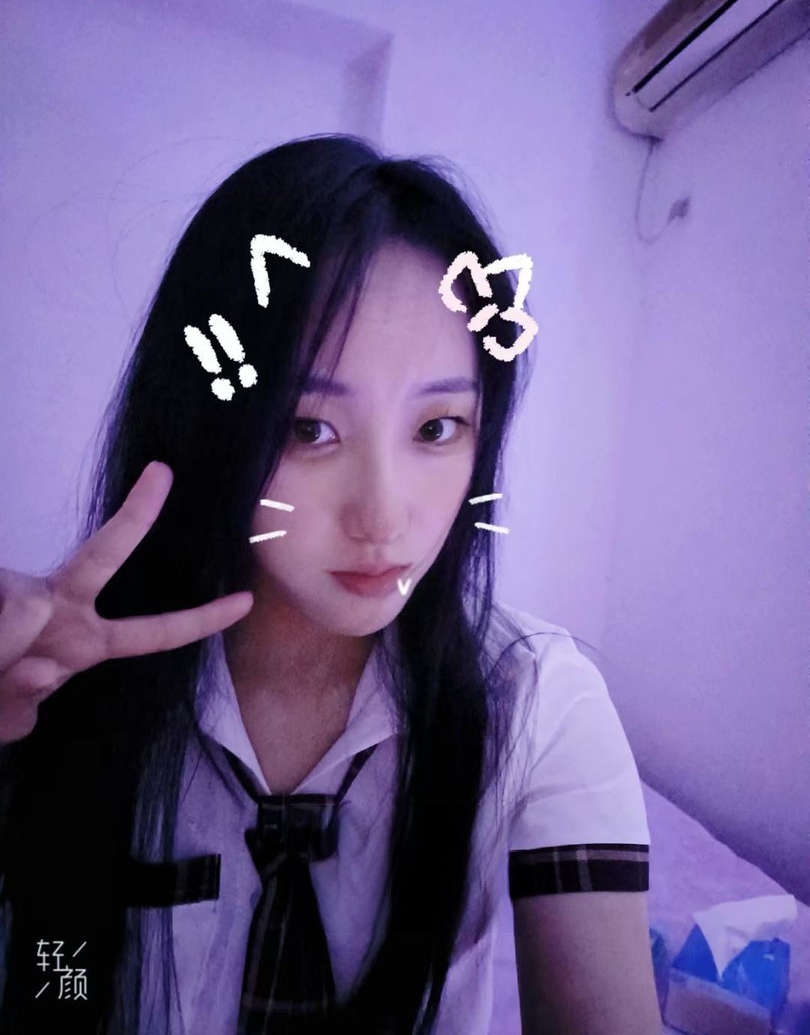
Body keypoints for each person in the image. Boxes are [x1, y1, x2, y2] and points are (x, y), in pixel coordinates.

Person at [0, 135, 660, 1034]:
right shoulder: (64, 680)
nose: (383, 516)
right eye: (308, 428)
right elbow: (55, 977)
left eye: (437, 428)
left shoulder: (538, 703)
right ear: (208, 425)